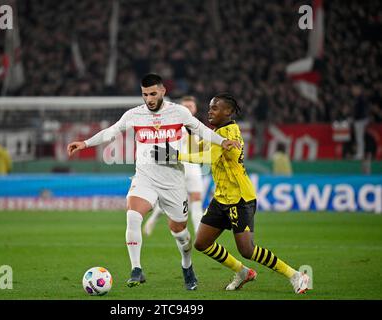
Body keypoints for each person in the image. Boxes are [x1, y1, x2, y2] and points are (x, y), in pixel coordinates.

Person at [67, 74, 236, 290]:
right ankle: (136, 269)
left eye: (153, 93)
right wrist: (85, 143)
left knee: (180, 233)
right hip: (145, 176)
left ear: (163, 91)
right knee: (132, 214)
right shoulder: (134, 114)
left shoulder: (178, 112)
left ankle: (187, 266)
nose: (149, 98)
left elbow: (201, 130)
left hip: (173, 180)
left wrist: (223, 141)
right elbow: (111, 132)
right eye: (145, 94)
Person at [152, 93, 310, 294]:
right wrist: (184, 132)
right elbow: (198, 146)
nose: (210, 111)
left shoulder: (230, 133)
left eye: (215, 108)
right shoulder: (216, 131)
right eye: (210, 107)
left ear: (228, 111)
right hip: (221, 198)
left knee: (247, 250)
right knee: (202, 243)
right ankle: (243, 272)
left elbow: (209, 157)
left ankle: (295, 275)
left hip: (240, 198)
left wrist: (175, 155)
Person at [143, 95, 205, 235]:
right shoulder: (172, 125)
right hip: (176, 168)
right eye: (185, 106)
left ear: (195, 108)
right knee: (171, 201)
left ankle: (199, 235)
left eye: (191, 106)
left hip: (193, 169)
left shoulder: (197, 125)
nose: (188, 108)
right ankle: (153, 218)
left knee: (196, 200)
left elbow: (197, 149)